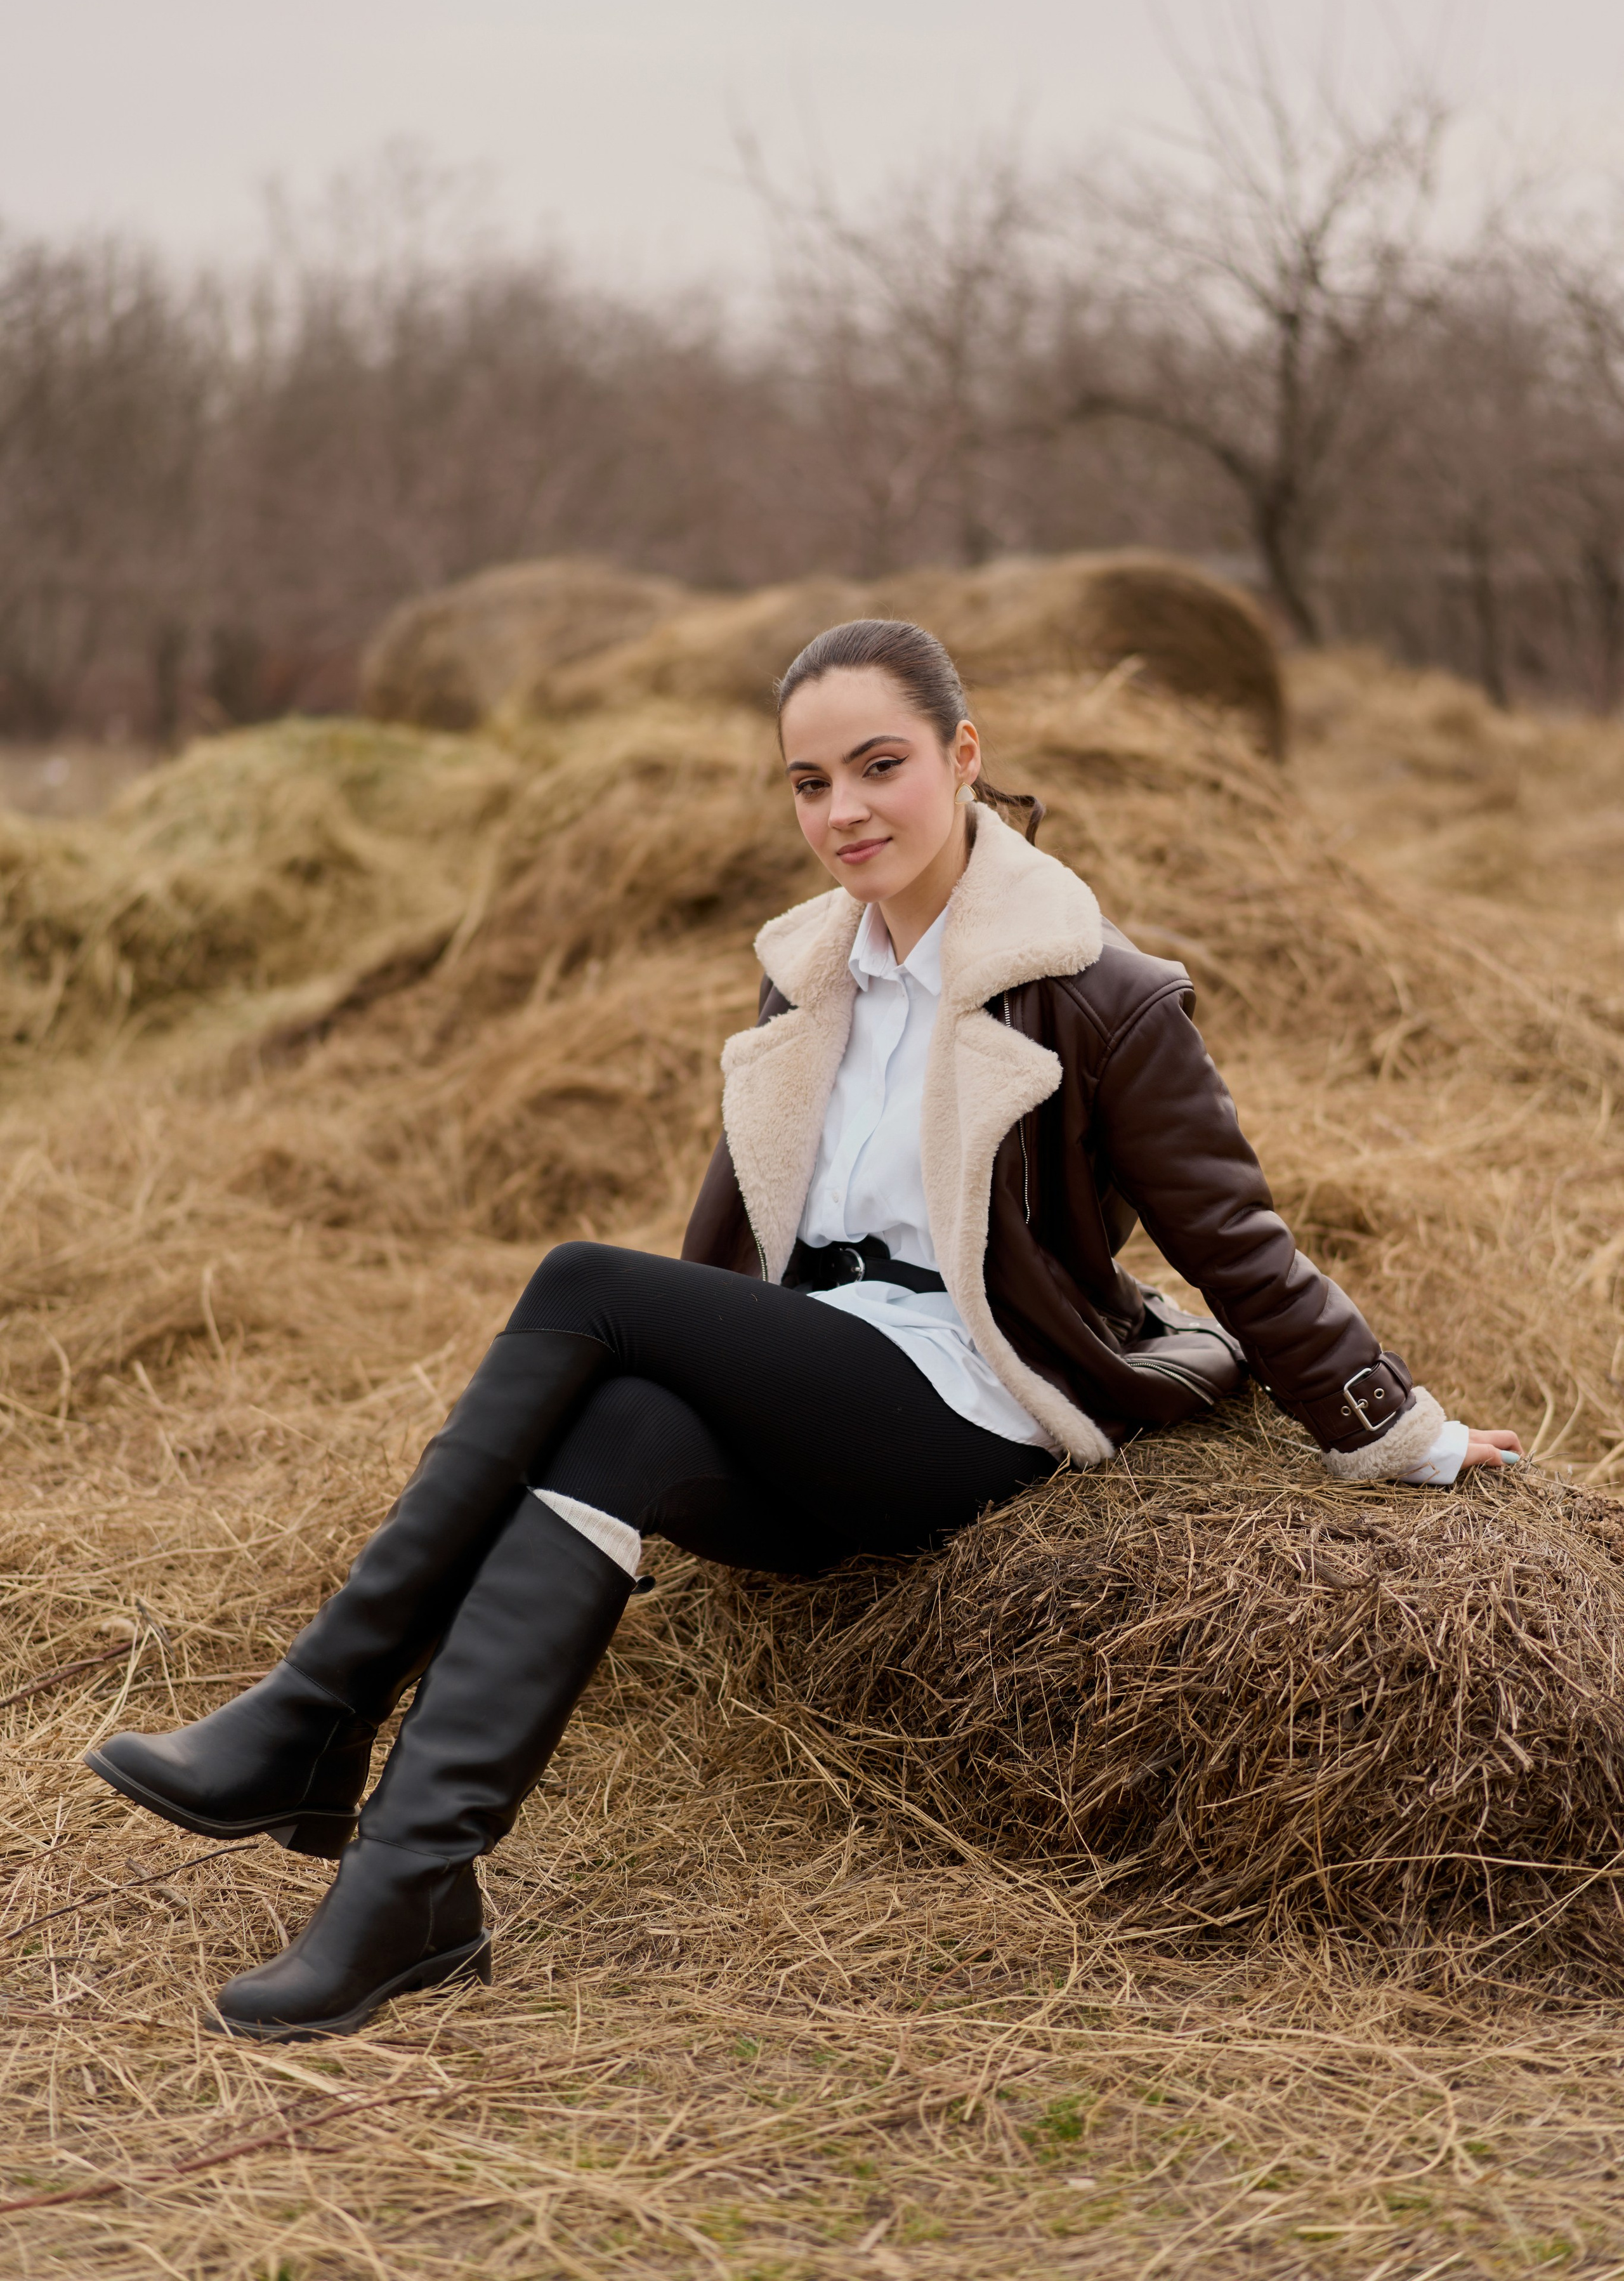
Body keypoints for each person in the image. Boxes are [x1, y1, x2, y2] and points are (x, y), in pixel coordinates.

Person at [86, 619, 1521, 2040]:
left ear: (963, 757)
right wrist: (688, 1365)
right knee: (618, 1423)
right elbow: (747, 1240)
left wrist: (1403, 1432)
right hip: (826, 1382)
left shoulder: (1101, 994)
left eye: (879, 767)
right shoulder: (808, 972)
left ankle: (311, 1711)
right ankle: (409, 1892)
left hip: (969, 1403)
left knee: (583, 1283)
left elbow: (1238, 1241)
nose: (843, 811)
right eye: (809, 782)